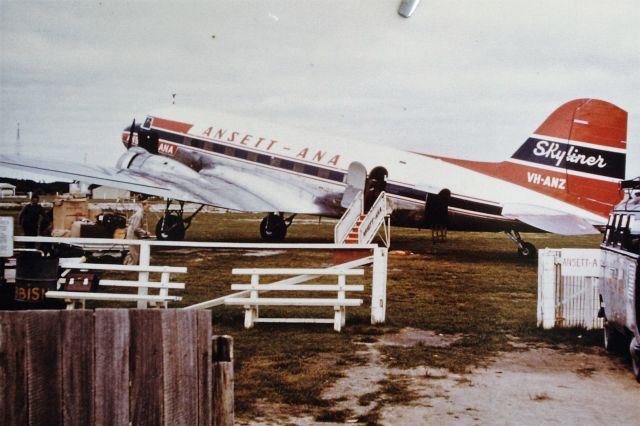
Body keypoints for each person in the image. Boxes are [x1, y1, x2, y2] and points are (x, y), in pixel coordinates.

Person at [123, 200, 154, 265]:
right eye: (148, 207)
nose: (149, 208)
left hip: (134, 234)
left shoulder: (141, 214)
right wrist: (145, 232)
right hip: (132, 234)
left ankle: (127, 265)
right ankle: (130, 267)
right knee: (135, 253)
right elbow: (136, 227)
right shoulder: (139, 215)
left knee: (134, 251)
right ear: (143, 206)